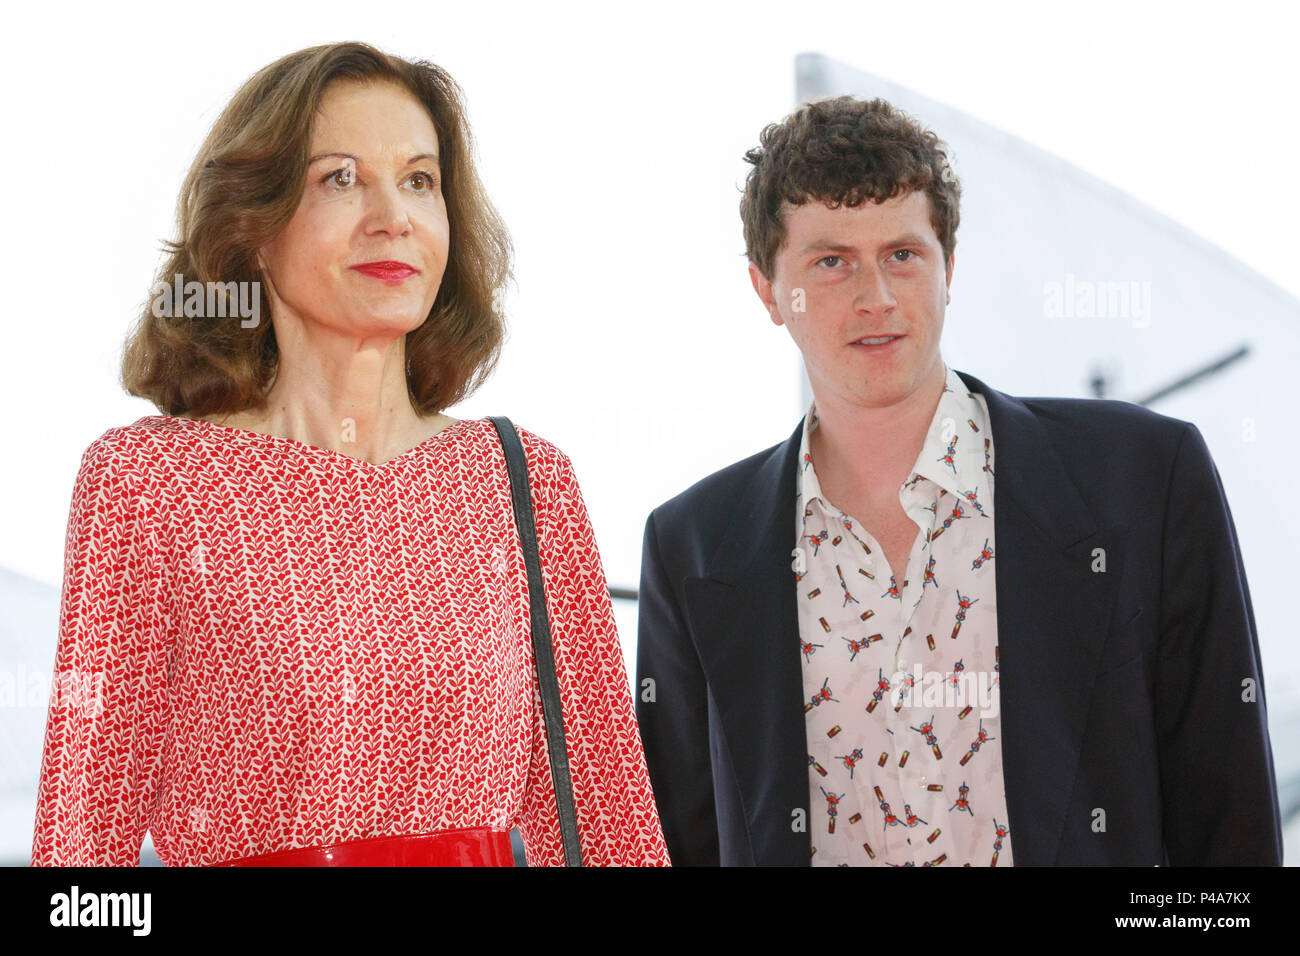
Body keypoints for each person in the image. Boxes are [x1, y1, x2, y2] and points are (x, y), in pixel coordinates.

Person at [31, 41, 669, 867]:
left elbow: (611, 824)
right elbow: (79, 853)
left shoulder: (525, 483)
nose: (392, 216)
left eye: (419, 180)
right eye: (340, 178)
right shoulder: (150, 484)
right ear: (251, 230)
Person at [634, 95, 1282, 866]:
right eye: (831, 262)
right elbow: (678, 840)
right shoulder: (694, 548)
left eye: (903, 254)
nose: (876, 296)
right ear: (768, 291)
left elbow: (1228, 827)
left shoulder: (1142, 480)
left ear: (950, 269)